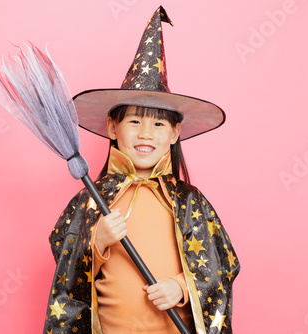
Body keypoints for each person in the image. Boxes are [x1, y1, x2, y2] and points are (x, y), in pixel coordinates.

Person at [43, 6, 240, 334]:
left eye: (159, 123)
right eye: (134, 121)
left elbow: (223, 264)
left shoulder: (191, 202)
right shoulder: (90, 202)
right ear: (113, 127)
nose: (145, 133)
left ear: (175, 133)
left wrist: (181, 286)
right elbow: (63, 258)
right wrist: (97, 242)